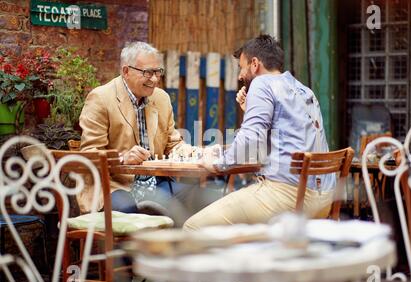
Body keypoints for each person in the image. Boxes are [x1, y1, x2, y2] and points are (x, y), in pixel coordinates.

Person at [184, 34, 336, 229]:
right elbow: (284, 138)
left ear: (254, 64)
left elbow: (250, 139)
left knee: (193, 227)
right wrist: (250, 111)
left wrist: (217, 164)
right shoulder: (304, 90)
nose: (240, 76)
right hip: (323, 199)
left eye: (241, 67)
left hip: (289, 197)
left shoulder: (262, 84)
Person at [78, 41, 197, 224]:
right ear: (126, 71)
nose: (155, 79)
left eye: (158, 72)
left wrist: (189, 151)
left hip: (155, 183)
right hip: (114, 186)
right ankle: (131, 253)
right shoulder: (101, 98)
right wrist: (122, 158)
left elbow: (173, 143)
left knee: (194, 196)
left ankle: (175, 251)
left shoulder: (161, 98)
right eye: (147, 72)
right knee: (126, 209)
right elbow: (89, 154)